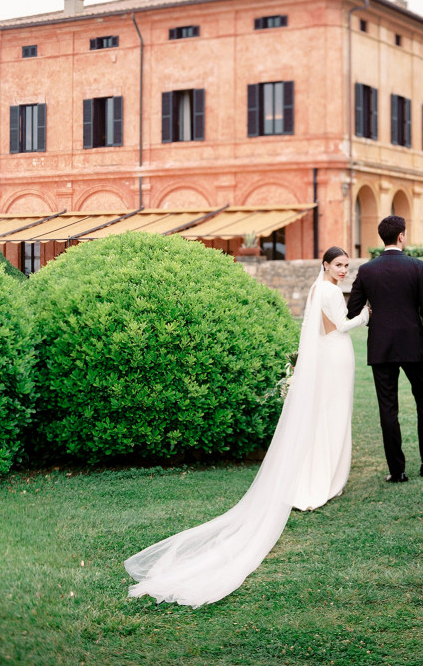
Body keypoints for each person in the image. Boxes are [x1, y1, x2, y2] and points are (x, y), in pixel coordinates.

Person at [124, 246, 369, 607]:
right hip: (336, 356)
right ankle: (324, 479)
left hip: (330, 357)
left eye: (347, 266)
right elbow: (339, 326)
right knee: (333, 416)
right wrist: (363, 315)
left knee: (327, 417)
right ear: (325, 265)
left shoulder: (319, 289)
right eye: (338, 265)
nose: (344, 270)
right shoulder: (330, 291)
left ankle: (322, 472)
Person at [347, 215, 423, 483]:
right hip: (415, 346)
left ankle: (397, 471)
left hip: (381, 347)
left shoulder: (367, 270)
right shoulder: (417, 266)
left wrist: (374, 312)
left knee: (387, 408)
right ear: (401, 236)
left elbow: (353, 309)